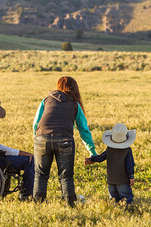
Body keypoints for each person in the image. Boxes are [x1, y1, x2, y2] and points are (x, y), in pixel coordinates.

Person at [32, 76, 97, 207]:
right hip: (64, 140)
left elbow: (35, 124)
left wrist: (37, 139)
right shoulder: (74, 103)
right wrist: (92, 152)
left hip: (41, 138)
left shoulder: (46, 100)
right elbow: (83, 130)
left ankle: (38, 206)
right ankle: (70, 205)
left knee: (40, 175)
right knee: (66, 176)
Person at [85, 123, 136, 205]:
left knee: (114, 199)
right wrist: (131, 177)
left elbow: (101, 158)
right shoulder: (127, 150)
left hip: (111, 180)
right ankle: (127, 212)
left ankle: (115, 211)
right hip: (122, 180)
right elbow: (129, 165)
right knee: (126, 199)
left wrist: (91, 159)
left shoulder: (109, 149)